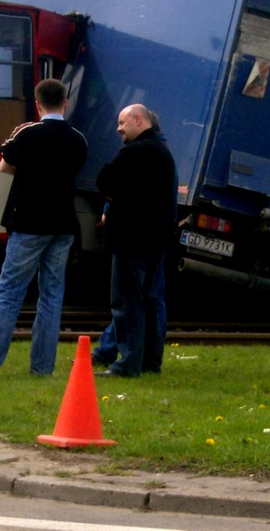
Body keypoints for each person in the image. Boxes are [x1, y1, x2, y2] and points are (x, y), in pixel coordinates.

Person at [0, 79, 88, 377]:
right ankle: (42, 368)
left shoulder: (28, 134)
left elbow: (5, 165)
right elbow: (73, 169)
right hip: (62, 224)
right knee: (51, 296)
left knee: (10, 293)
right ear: (65, 103)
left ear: (38, 105)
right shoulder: (78, 138)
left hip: (28, 222)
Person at [94, 104, 177, 377]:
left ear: (138, 120)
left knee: (127, 303)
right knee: (151, 302)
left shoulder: (136, 152)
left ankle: (128, 364)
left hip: (130, 239)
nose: (118, 129)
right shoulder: (163, 153)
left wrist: (114, 195)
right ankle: (150, 362)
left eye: (121, 122)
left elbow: (104, 179)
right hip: (155, 240)